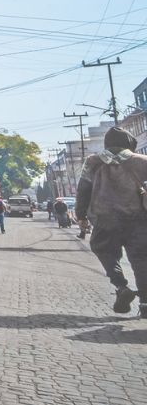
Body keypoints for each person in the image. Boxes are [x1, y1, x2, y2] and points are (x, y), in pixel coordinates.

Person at [75, 126, 147, 316]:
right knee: (142, 260)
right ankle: (146, 305)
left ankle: (121, 287)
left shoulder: (93, 162)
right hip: (139, 219)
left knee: (104, 251)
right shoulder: (142, 161)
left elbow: (83, 190)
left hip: (105, 219)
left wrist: (81, 215)